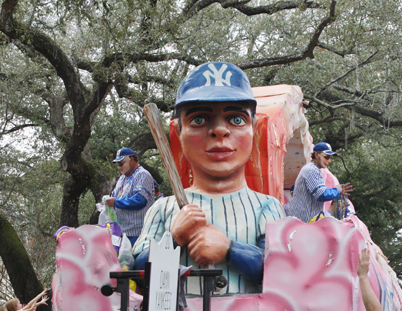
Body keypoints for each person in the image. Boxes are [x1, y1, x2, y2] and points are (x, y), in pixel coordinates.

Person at [133, 62, 286, 296]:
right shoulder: (163, 209)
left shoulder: (267, 207)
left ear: (254, 128)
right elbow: (137, 276)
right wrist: (173, 239)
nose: (219, 131)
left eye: (236, 119)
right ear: (177, 132)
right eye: (199, 120)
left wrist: (230, 250)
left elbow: (282, 272)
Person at [285, 142, 353, 223]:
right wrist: (337, 190)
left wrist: (337, 192)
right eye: (326, 157)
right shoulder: (311, 170)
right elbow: (321, 194)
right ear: (316, 155)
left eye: (330, 158)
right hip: (303, 224)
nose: (329, 161)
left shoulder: (312, 169)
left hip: (302, 224)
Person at [102, 148, 156, 245]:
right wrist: (107, 201)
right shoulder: (122, 178)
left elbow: (140, 200)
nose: (119, 167)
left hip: (138, 233)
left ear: (131, 159)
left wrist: (116, 202)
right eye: (118, 165)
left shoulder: (142, 174)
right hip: (122, 232)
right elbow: (115, 195)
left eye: (121, 163)